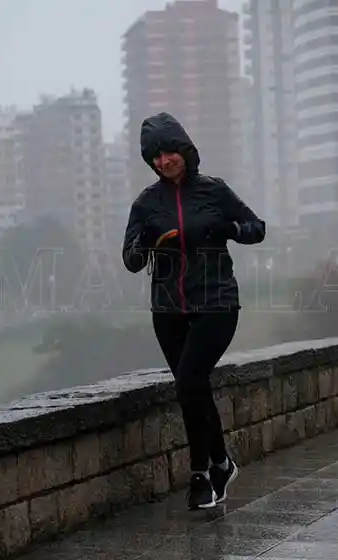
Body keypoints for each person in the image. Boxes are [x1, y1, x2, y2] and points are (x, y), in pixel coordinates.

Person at [121, 112, 266, 510]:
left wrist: (228, 230)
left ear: (184, 150)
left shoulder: (213, 191)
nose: (164, 161)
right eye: (155, 156)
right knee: (193, 388)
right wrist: (148, 244)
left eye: (169, 151)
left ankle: (203, 470)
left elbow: (256, 228)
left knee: (188, 381)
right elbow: (130, 259)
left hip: (217, 303)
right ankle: (217, 465)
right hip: (168, 310)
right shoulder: (146, 203)